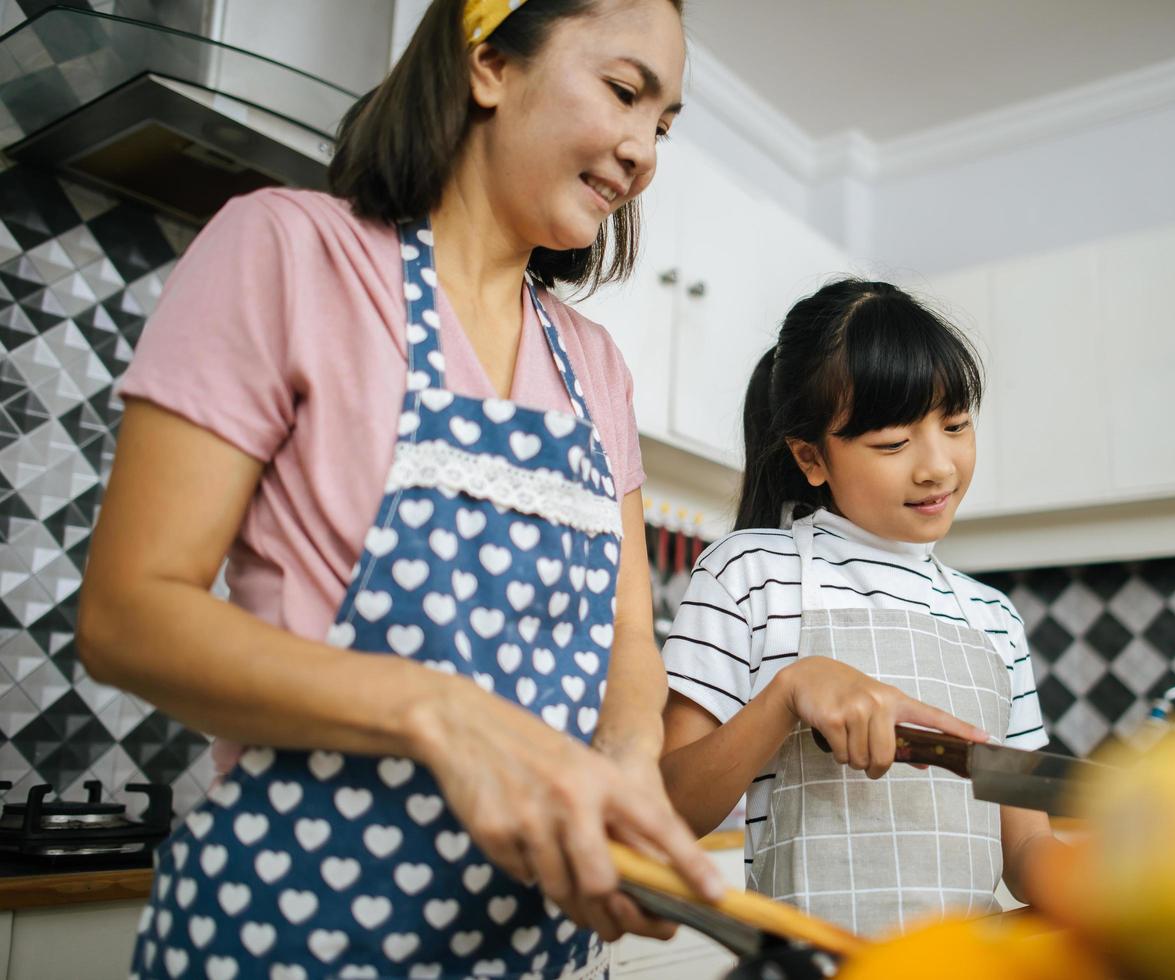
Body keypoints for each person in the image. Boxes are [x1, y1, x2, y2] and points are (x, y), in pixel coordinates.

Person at [76, 0, 724, 976]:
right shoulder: (289, 249)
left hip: (529, 947)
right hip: (289, 928)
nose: (642, 151)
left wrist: (628, 760)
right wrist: (444, 711)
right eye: (624, 92)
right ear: (490, 64)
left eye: (663, 124)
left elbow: (631, 638)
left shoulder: (596, 367)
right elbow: (129, 614)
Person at [658, 279, 1065, 937]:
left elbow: (1025, 849)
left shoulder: (995, 619)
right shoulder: (750, 574)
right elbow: (669, 807)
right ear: (811, 457)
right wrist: (786, 693)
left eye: (955, 425)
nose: (937, 466)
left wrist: (1116, 882)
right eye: (892, 444)